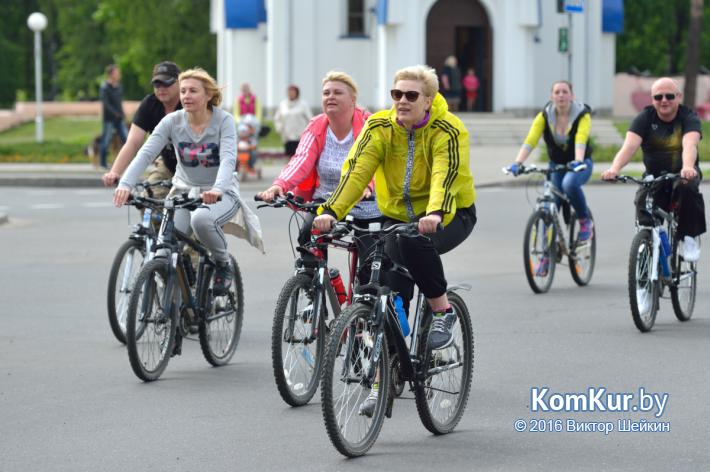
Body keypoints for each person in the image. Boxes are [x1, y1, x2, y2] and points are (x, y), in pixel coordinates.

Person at [313, 65, 476, 416]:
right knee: (385, 287)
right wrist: (332, 211)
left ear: (428, 100)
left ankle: (442, 311)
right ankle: (383, 378)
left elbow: (444, 175)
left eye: (411, 95)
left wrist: (432, 214)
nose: (402, 101)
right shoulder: (379, 127)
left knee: (414, 243)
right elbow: (357, 171)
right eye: (396, 94)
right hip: (395, 216)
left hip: (448, 214)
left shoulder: (448, 129)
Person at [113, 68, 242, 295]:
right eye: (183, 91)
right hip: (184, 190)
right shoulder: (172, 121)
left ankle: (223, 263)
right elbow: (145, 153)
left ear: (208, 95)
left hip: (221, 191)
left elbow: (228, 160)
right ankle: (183, 298)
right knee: (162, 253)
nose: (186, 96)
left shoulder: (224, 121)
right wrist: (125, 183)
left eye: (193, 91)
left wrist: (218, 189)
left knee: (202, 219)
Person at [257, 71, 380, 272]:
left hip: (364, 201)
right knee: (307, 234)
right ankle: (314, 289)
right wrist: (279, 185)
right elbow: (301, 159)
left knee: (369, 260)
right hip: (325, 200)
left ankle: (364, 298)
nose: (330, 96)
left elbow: (374, 163)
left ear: (352, 100)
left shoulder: (369, 125)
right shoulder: (317, 125)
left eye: (337, 92)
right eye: (326, 93)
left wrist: (368, 186)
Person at [601, 77, 705, 261]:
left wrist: (688, 167)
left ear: (678, 97)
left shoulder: (688, 117)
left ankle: (688, 237)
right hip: (654, 177)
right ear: (652, 99)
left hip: (681, 174)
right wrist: (614, 169)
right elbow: (629, 147)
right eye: (658, 97)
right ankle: (646, 243)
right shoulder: (645, 118)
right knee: (642, 198)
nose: (663, 100)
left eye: (669, 96)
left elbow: (690, 144)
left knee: (686, 188)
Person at [510, 80, 594, 268]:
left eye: (565, 91)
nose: (561, 95)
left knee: (569, 184)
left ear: (571, 95)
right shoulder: (545, 115)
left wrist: (578, 160)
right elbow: (531, 139)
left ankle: (584, 221)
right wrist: (518, 163)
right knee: (549, 207)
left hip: (580, 164)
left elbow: (581, 138)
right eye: (557, 92)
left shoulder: (581, 114)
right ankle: (545, 256)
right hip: (556, 164)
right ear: (551, 96)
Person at [101, 61, 182, 193]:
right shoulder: (149, 104)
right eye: (157, 83)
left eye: (167, 82)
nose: (161, 88)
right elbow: (133, 142)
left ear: (180, 82)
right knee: (148, 200)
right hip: (168, 164)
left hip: (195, 167)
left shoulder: (189, 104)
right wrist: (114, 172)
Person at [99, 64, 128, 169]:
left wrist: (122, 113)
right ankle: (103, 163)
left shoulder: (118, 86)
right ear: (111, 74)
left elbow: (119, 102)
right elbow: (106, 104)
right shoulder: (105, 87)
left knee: (127, 139)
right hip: (109, 119)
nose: (118, 74)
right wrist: (115, 113)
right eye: (116, 72)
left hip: (119, 119)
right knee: (106, 140)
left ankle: (129, 162)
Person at [273, 85, 313, 157]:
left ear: (297, 93)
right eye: (289, 92)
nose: (291, 94)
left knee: (299, 156)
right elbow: (277, 118)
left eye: (293, 92)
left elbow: (310, 119)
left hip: (300, 136)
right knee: (289, 157)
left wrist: (309, 131)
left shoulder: (303, 105)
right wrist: (279, 128)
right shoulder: (283, 104)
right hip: (287, 136)